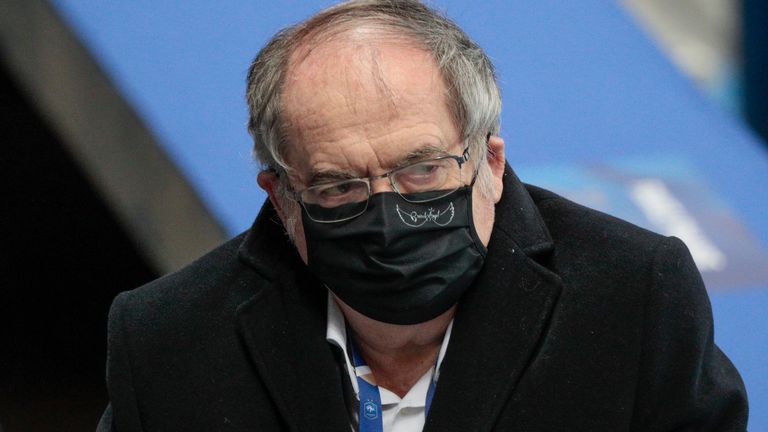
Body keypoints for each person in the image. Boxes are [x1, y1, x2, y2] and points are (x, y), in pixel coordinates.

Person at [97, 1, 748, 431]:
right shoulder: (169, 340)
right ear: (281, 199)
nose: (389, 217)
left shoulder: (634, 298)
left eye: (422, 170)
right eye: (338, 187)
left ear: (490, 162)